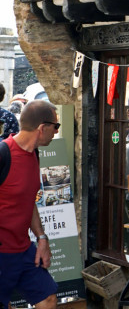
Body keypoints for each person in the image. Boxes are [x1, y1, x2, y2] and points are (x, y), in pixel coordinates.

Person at [0, 100, 60, 309]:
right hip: (1, 251)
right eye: (55, 126)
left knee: (48, 299)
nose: (56, 131)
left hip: (23, 249)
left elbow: (29, 200)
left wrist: (42, 238)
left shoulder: (34, 154)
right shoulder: (3, 154)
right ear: (42, 128)